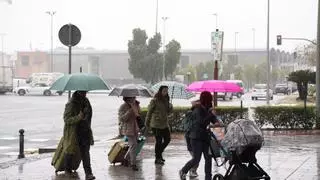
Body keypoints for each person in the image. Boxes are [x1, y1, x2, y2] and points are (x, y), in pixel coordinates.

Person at [179, 91, 218, 180]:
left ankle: (208, 177)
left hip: (205, 136)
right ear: (206, 99)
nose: (210, 101)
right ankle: (183, 170)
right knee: (196, 159)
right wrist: (211, 114)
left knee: (208, 158)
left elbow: (212, 118)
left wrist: (216, 121)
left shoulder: (208, 108)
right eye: (209, 99)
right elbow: (202, 122)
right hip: (196, 137)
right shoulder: (197, 109)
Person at [63, 91, 95, 180]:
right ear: (78, 92)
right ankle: (67, 170)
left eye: (85, 92)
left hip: (85, 131)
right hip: (74, 132)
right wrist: (78, 117)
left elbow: (90, 115)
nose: (85, 94)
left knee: (85, 153)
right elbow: (66, 119)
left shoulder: (86, 101)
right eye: (83, 92)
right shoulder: (71, 103)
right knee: (70, 151)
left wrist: (86, 116)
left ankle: (88, 173)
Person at [145, 85, 173, 165]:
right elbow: (149, 112)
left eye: (166, 91)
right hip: (156, 124)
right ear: (160, 91)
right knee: (159, 141)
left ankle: (159, 154)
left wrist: (170, 106)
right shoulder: (154, 100)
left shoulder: (166, 100)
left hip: (164, 124)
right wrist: (147, 123)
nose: (165, 92)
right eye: (164, 91)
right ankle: (158, 158)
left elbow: (168, 112)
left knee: (167, 139)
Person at [118, 96, 140, 171]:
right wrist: (130, 110)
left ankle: (126, 158)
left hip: (135, 128)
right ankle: (133, 164)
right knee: (133, 145)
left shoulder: (136, 105)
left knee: (134, 145)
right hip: (128, 128)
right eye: (132, 98)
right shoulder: (123, 106)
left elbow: (138, 115)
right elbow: (122, 118)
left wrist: (136, 107)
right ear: (127, 98)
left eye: (134, 97)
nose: (134, 99)